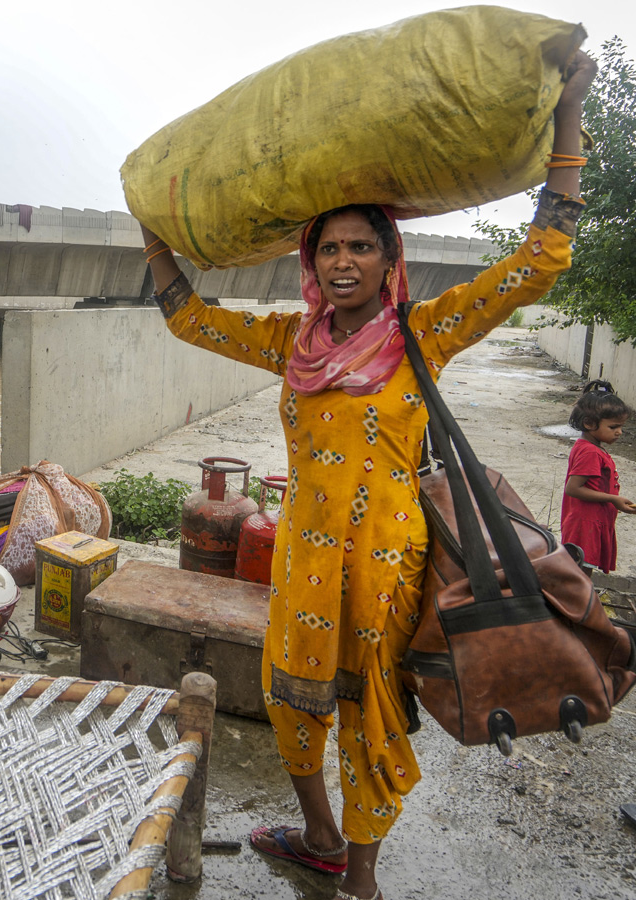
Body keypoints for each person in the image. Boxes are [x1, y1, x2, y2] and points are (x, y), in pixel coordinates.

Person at [137, 50, 597, 900]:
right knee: (290, 699)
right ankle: (317, 834)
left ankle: (364, 874)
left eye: (361, 246)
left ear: (389, 261)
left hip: (386, 560)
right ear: (311, 264)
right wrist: (156, 235)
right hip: (303, 565)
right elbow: (192, 320)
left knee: (369, 715)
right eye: (330, 248)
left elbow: (540, 261)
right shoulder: (289, 343)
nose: (344, 260)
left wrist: (567, 115)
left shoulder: (425, 330)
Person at [561, 381, 636, 572]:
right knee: (580, 577)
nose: (619, 432)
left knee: (581, 575)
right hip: (585, 526)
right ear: (588, 423)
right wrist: (613, 499)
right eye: (613, 427)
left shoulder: (591, 448)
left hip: (591, 522)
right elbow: (573, 488)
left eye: (621, 427)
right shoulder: (590, 453)